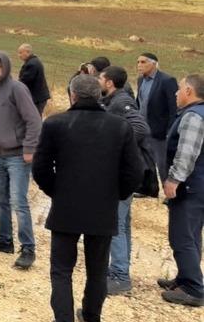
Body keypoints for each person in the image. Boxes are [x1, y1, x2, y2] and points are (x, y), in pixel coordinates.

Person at [33, 75, 143, 322]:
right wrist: (117, 194)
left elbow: (40, 168)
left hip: (66, 207)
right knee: (97, 269)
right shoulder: (119, 126)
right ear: (98, 95)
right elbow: (134, 171)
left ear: (73, 95)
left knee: (61, 270)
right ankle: (92, 316)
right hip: (102, 208)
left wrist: (57, 191)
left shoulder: (55, 123)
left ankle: (64, 318)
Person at [0, 51, 42, 269]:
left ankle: (28, 248)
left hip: (17, 156)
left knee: (19, 201)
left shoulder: (17, 89)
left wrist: (29, 148)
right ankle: (5, 240)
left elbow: (34, 120)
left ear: (6, 67)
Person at [98, 66, 151, 295]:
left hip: (122, 173)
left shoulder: (121, 101)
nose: (98, 80)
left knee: (115, 225)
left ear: (109, 82)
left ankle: (119, 275)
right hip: (122, 172)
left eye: (101, 77)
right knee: (123, 224)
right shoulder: (112, 100)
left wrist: (116, 142)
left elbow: (141, 128)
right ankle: (119, 270)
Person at [160, 74, 204, 307]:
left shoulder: (193, 117)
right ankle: (185, 277)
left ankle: (194, 289)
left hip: (190, 186)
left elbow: (186, 154)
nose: (175, 94)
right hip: (198, 185)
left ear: (189, 91)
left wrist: (173, 180)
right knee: (192, 234)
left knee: (182, 236)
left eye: (179, 90)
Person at [136, 52, 178, 183]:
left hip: (160, 131)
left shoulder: (167, 80)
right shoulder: (140, 80)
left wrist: (170, 131)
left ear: (153, 64)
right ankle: (147, 188)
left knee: (163, 163)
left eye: (143, 62)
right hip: (143, 127)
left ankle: (169, 191)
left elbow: (174, 109)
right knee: (145, 160)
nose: (139, 65)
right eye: (138, 62)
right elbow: (140, 102)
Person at [17, 43, 51, 115]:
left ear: (27, 52)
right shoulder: (33, 61)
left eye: (20, 53)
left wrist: (13, 85)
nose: (19, 55)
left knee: (34, 118)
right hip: (38, 97)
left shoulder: (32, 64)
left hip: (37, 98)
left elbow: (24, 81)